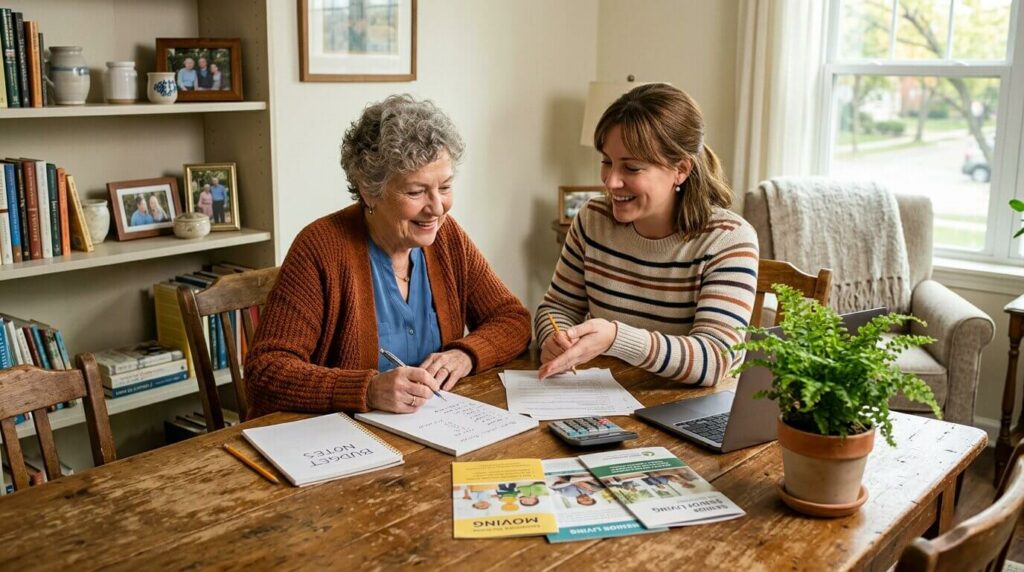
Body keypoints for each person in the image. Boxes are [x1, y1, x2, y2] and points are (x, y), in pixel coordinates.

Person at [245, 94, 532, 417]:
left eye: (445, 187)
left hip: (429, 432)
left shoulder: (447, 238)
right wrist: (367, 390)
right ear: (370, 190)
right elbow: (265, 372)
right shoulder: (320, 247)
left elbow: (513, 321)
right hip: (340, 442)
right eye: (416, 191)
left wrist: (465, 355)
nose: (437, 207)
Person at [535, 84, 758, 387]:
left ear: (680, 169)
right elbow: (557, 308)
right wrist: (557, 338)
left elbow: (715, 359)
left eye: (632, 167)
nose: (611, 181)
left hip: (689, 411)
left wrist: (616, 338)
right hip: (608, 398)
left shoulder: (728, 239)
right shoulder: (593, 220)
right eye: (606, 161)